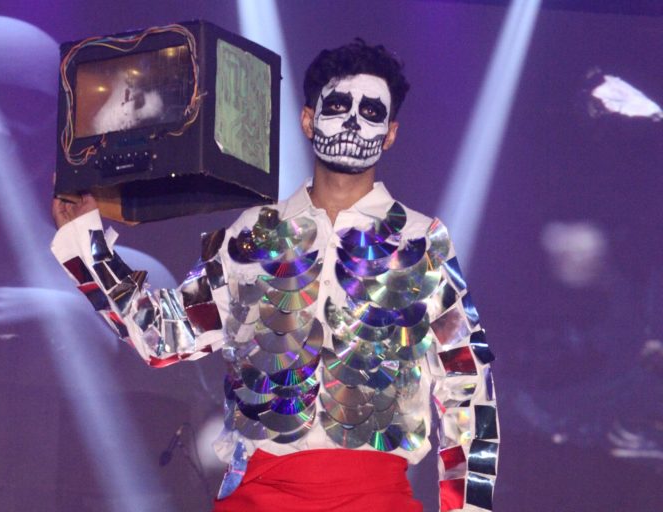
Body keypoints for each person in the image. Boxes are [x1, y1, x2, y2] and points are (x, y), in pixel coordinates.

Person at [52, 40, 498, 511]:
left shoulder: (420, 241)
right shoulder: (253, 235)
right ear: (308, 120)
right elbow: (164, 336)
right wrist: (85, 243)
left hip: (375, 497)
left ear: (389, 134)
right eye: (337, 106)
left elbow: (469, 389)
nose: (352, 122)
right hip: (258, 495)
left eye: (370, 112)